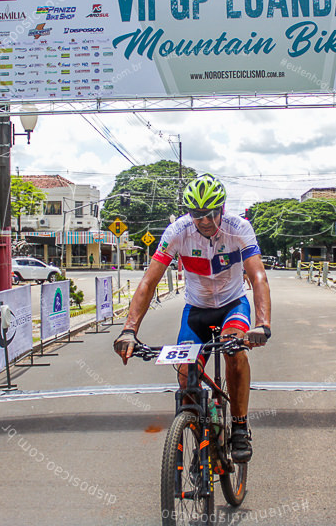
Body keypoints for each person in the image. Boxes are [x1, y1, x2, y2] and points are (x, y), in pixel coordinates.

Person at [113, 174, 271, 462]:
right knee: (185, 373)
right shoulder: (178, 231)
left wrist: (262, 323)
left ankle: (238, 426)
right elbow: (148, 282)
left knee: (235, 354)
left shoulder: (239, 228)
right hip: (196, 309)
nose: (205, 220)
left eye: (211, 213)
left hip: (232, 304)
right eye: (197, 214)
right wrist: (129, 330)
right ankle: (197, 433)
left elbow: (258, 275)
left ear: (222, 209)